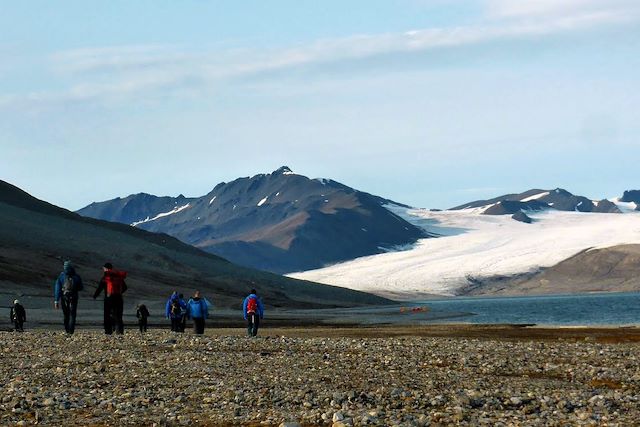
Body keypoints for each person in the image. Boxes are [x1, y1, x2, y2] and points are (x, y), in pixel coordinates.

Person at [93, 262, 127, 335]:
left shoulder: (105, 277)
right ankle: (120, 332)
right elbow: (125, 287)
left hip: (108, 298)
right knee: (118, 316)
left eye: (104, 268)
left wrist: (95, 296)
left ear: (106, 269)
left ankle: (108, 332)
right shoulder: (119, 277)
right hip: (119, 298)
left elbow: (100, 288)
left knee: (107, 315)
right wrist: (119, 293)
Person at [54, 260, 84, 334]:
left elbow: (57, 289)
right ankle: (71, 331)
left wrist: (56, 300)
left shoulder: (61, 276)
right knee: (72, 314)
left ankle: (67, 330)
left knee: (66, 314)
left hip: (64, 297)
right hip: (74, 297)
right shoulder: (76, 276)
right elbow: (81, 287)